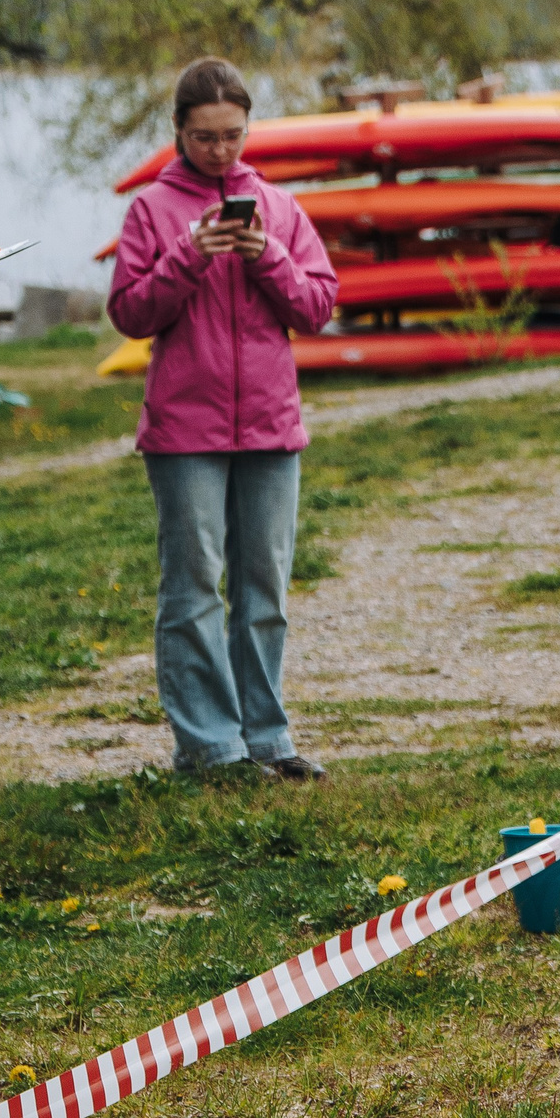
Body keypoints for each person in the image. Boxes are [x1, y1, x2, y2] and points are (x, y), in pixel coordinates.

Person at [106, 57, 337, 781]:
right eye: (205, 137)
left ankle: (266, 738)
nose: (220, 151)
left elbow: (318, 307)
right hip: (184, 432)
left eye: (233, 135)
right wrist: (186, 257)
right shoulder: (150, 212)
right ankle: (210, 748)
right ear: (178, 130)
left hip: (270, 425)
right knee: (194, 586)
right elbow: (131, 313)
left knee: (264, 589)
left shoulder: (280, 207)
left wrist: (267, 255)